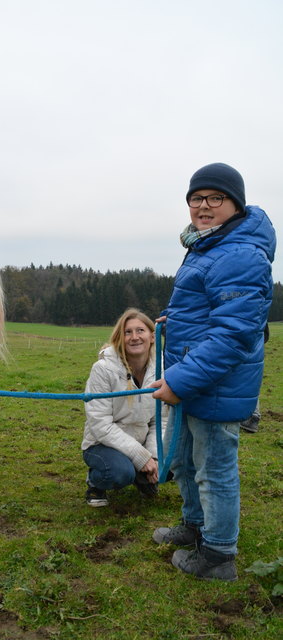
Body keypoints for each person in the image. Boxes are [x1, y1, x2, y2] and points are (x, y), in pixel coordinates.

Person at [150, 163, 275, 581]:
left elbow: (232, 334)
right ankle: (195, 525)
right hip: (194, 375)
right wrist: (172, 318)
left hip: (215, 382)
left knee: (215, 467)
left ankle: (219, 554)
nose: (203, 206)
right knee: (185, 460)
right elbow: (206, 309)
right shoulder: (209, 245)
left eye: (214, 198)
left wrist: (180, 381)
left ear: (235, 204)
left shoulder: (240, 253)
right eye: (196, 198)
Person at [82, 308, 164, 507]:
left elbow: (161, 420)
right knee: (119, 473)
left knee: (172, 463)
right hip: (102, 443)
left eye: (140, 331)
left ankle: (142, 476)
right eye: (128, 332)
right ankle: (96, 482)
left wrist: (153, 455)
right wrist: (140, 457)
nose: (134, 337)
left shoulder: (162, 370)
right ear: (120, 337)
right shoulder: (103, 369)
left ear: (152, 337)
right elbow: (100, 424)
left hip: (142, 440)